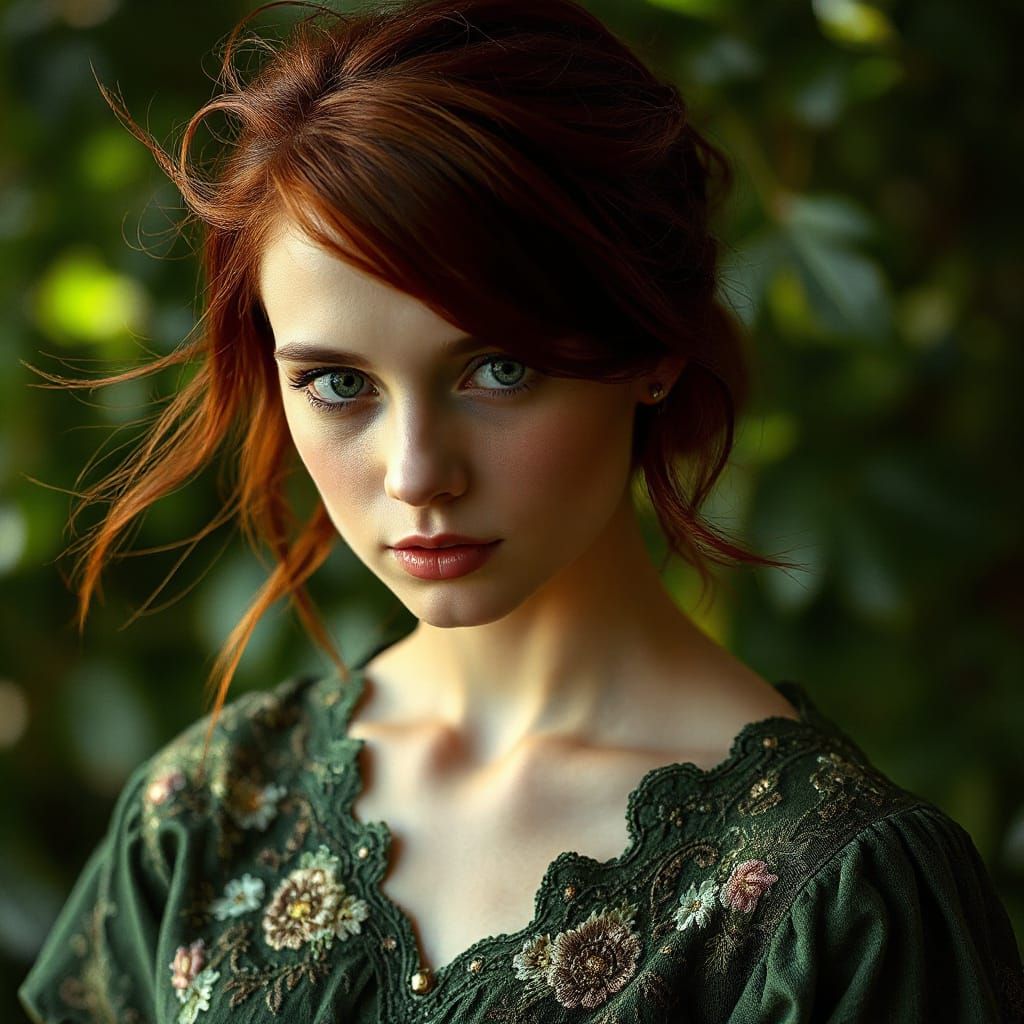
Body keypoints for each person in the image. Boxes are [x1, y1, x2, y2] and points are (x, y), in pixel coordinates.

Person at [19, 0, 1023, 1021]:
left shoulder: (838, 900)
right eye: (338, 384)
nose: (416, 473)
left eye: (499, 369)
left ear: (653, 344)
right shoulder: (204, 817)